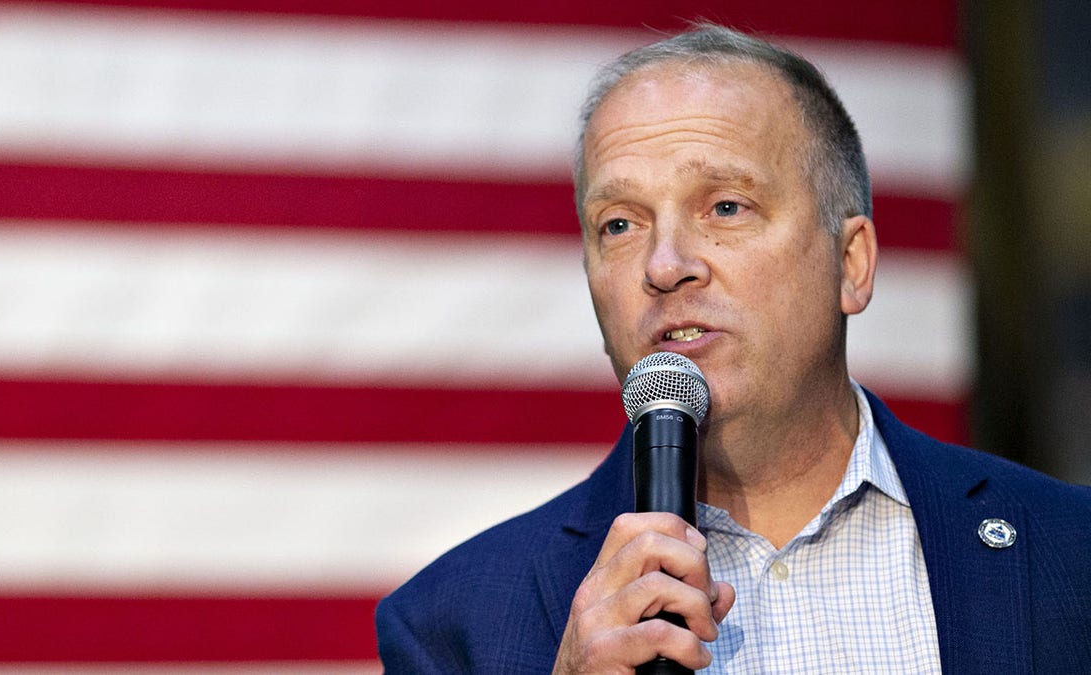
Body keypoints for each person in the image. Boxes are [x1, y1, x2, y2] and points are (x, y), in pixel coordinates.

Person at [375, 23, 1091, 673]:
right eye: (619, 224)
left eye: (725, 206)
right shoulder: (451, 626)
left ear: (851, 263)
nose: (665, 264)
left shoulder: (1069, 552)